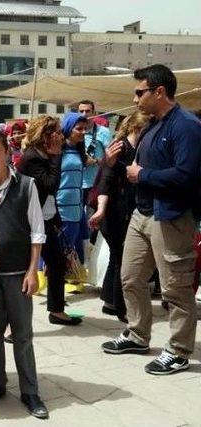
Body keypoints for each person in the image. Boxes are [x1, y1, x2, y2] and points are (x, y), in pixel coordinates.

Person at [101, 64, 201, 375]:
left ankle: (179, 350)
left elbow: (188, 175)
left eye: (139, 92)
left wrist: (144, 174)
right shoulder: (152, 125)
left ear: (159, 92)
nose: (135, 99)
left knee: (175, 288)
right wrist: (118, 164)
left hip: (171, 216)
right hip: (142, 214)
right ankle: (137, 334)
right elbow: (138, 172)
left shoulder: (186, 126)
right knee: (130, 277)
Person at [0, 128, 48, 419]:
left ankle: (30, 390)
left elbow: (37, 233)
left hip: (19, 275)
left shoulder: (27, 186)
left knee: (23, 335)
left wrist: (33, 270)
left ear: (7, 152)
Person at [18, 116, 82, 325]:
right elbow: (50, 185)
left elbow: (49, 197)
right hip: (29, 221)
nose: (59, 136)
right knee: (24, 269)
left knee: (57, 262)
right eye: (54, 132)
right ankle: (13, 324)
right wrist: (55, 157)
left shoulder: (44, 154)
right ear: (44, 135)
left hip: (46, 217)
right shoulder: (32, 157)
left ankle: (56, 310)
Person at [89, 111, 150, 323]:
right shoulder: (120, 147)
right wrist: (101, 209)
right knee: (123, 259)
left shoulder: (135, 148)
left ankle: (110, 301)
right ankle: (121, 307)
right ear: (136, 128)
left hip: (124, 210)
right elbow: (106, 179)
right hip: (116, 212)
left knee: (118, 257)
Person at [57, 112, 89, 264]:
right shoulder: (57, 152)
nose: (83, 132)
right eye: (79, 129)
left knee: (71, 254)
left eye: (85, 128)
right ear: (69, 129)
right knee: (59, 254)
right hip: (60, 209)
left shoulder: (79, 151)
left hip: (75, 209)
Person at [77, 100, 112, 207]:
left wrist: (95, 161)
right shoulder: (73, 131)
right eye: (81, 111)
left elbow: (111, 159)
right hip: (76, 183)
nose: (84, 114)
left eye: (87, 111)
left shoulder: (104, 132)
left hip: (95, 183)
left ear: (94, 113)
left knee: (92, 219)